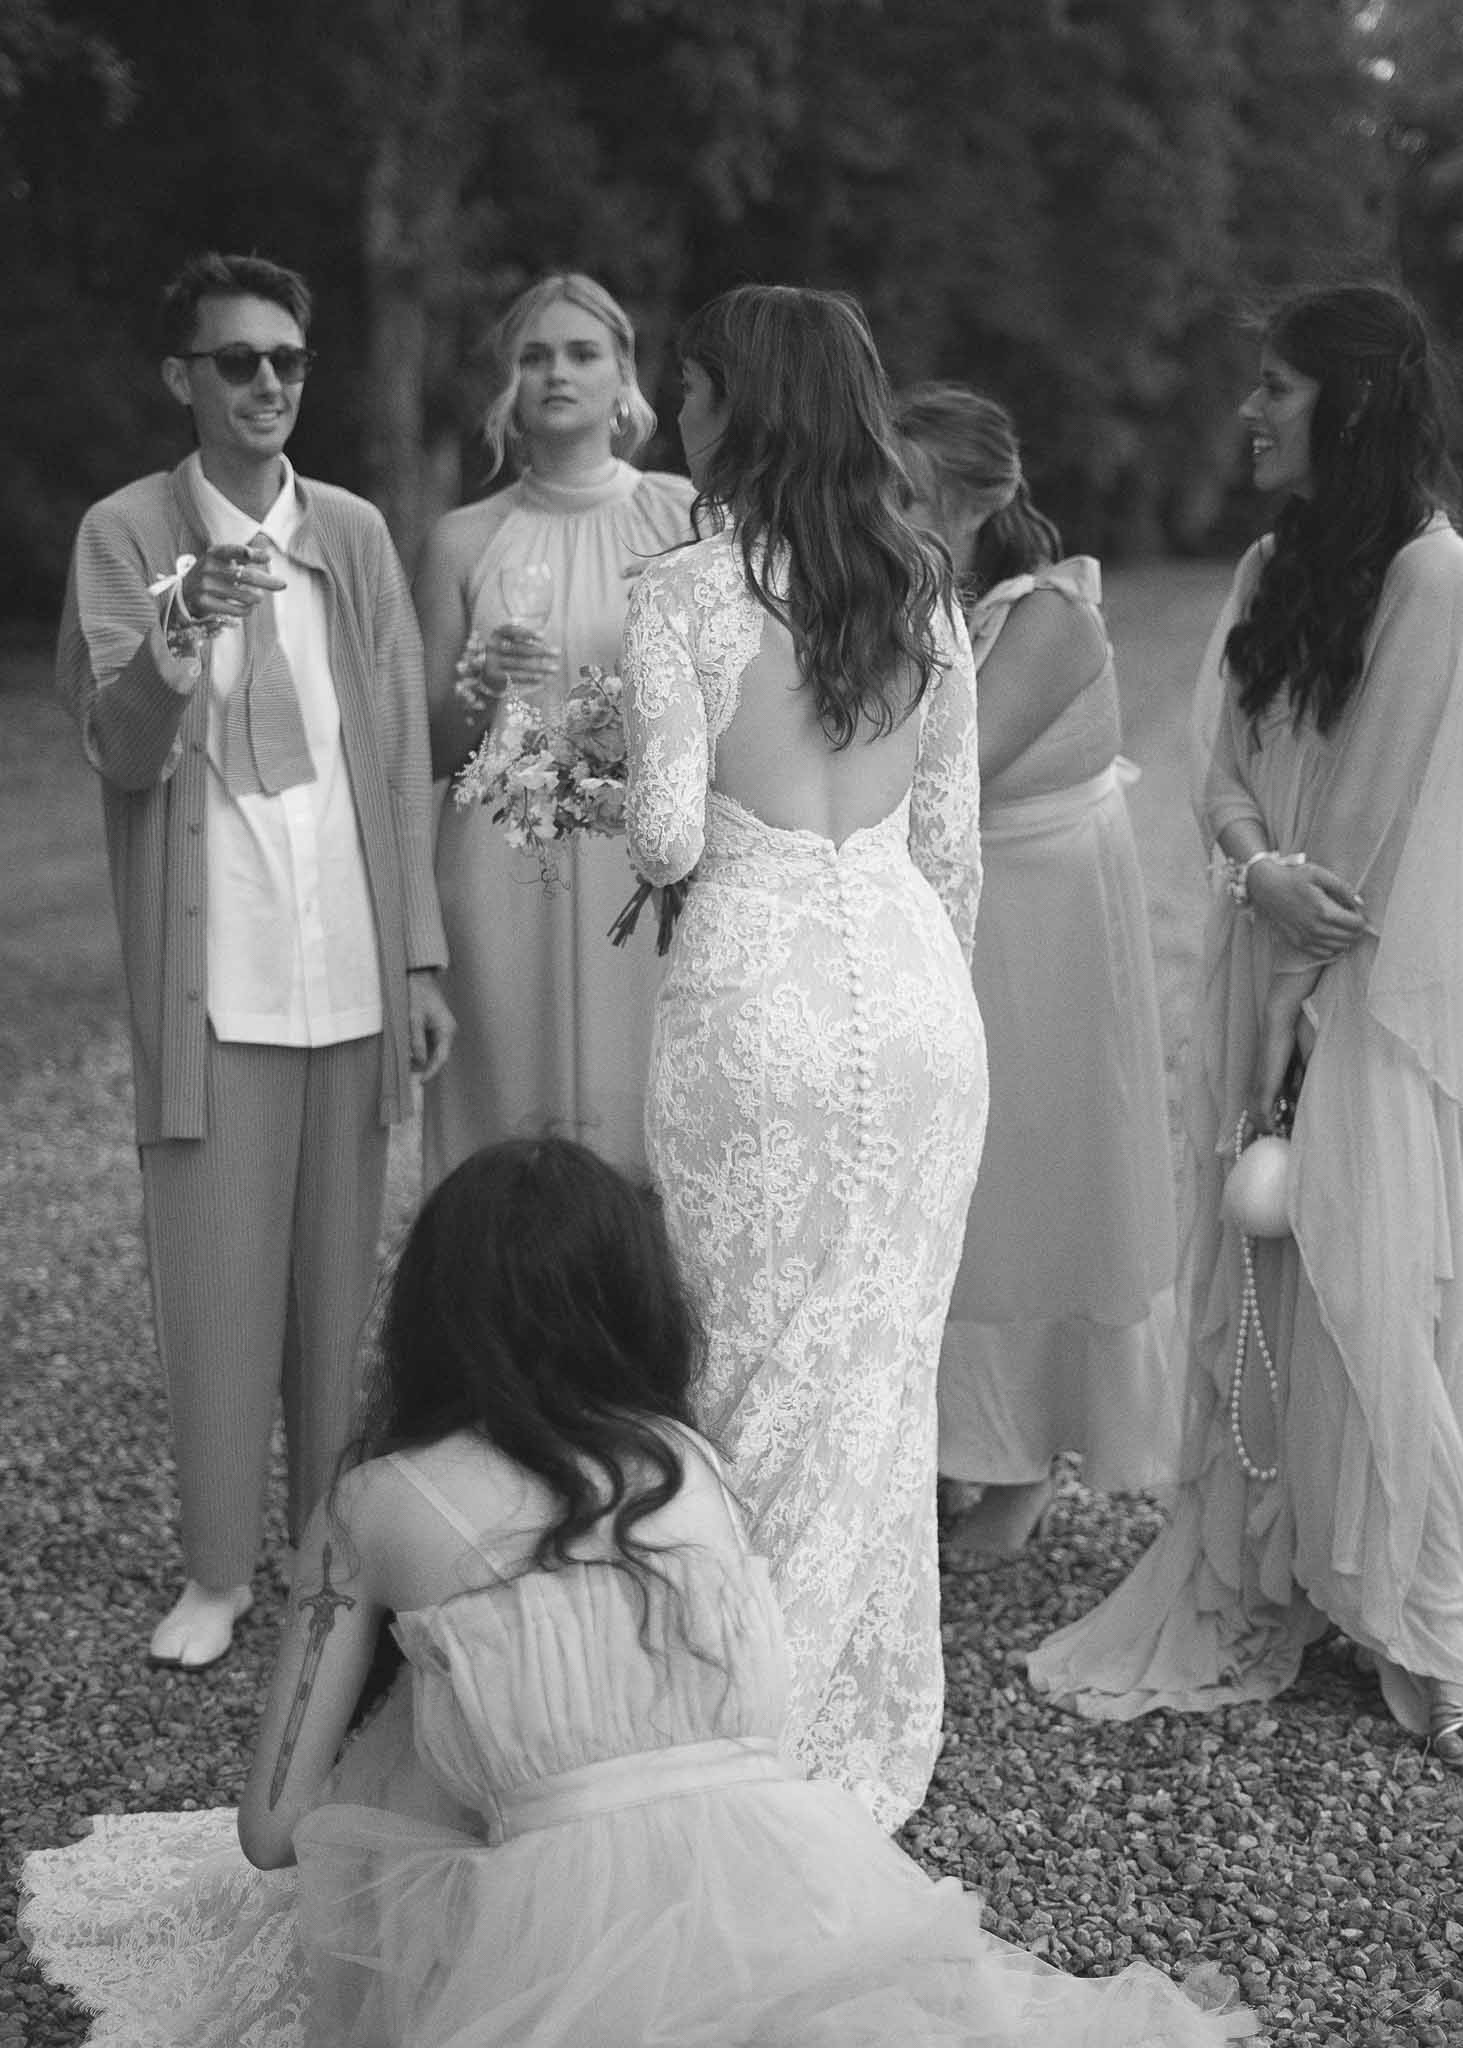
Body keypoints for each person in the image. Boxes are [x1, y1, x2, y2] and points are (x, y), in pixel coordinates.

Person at [20, 1137, 1258, 2047]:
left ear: (432, 1314)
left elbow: (272, 1829)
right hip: (784, 1870)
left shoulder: (376, 1502)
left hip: (548, 1923)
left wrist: (427, 1759)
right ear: (636, 1300)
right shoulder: (685, 1462)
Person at [1028, 281, 1463, 1767]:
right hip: (1254, 941)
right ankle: (1274, 1559)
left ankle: (1426, 1614)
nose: (1247, 409)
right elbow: (1215, 762)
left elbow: (1373, 815)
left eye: (1275, 385)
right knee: (1256, 1267)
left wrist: (1296, 999)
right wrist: (1248, 866)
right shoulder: (1273, 564)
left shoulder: (1430, 573)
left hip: (1356, 985)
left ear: (1349, 400)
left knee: (1360, 1276)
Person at [54, 251, 454, 1671]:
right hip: (215, 982)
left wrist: (417, 958)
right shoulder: (123, 533)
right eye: (238, 361)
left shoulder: (350, 531)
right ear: (184, 378)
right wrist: (179, 634)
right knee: (217, 1289)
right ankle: (217, 1571)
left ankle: (319, 1559)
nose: (269, 383)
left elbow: (398, 751)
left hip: (346, 967)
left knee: (336, 1297)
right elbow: (116, 752)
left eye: (287, 359)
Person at [621, 286, 987, 1832]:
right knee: (878, 1376)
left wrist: (599, 762)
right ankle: (853, 1729)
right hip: (914, 1002)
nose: (675, 416)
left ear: (741, 406)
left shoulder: (681, 592)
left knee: (742, 1361)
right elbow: (951, 854)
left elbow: (664, 834)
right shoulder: (922, 588)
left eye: (691, 390)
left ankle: (733, 1726)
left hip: (753, 998)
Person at [896, 384, 1179, 1558]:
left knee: (1030, 1181)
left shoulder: (1051, 614)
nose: (877, 511)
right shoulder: (910, 597)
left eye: (902, 491)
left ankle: (1019, 1460)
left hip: (1041, 924)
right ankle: (935, 1443)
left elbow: (945, 766)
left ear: (978, 499)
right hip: (947, 913)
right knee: (939, 1178)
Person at [414, 272, 695, 1187]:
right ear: (509, 384)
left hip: (643, 869)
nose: (557, 374)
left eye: (582, 353)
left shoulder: (682, 516)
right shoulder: (463, 540)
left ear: (624, 376)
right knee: (508, 1136)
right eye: (535, 357)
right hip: (502, 866)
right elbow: (428, 751)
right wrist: (481, 683)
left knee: (649, 1125)